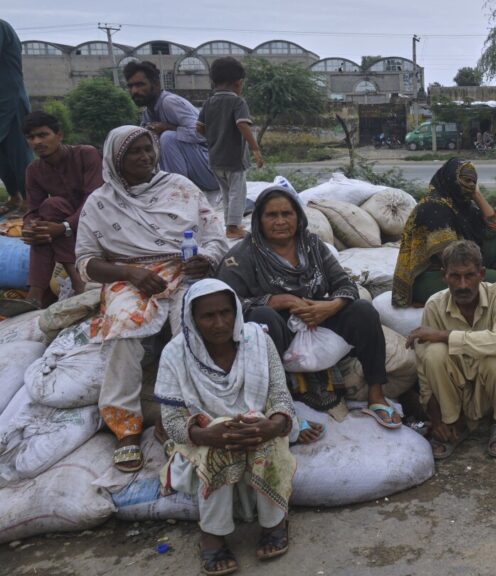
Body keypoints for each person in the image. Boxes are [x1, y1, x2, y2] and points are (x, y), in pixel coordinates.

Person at [75, 126, 228, 472]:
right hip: (128, 276)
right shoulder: (100, 202)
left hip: (185, 269)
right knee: (125, 327)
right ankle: (125, 427)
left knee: (193, 324)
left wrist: (208, 257)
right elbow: (86, 262)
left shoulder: (180, 188)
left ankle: (187, 415)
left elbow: (214, 232)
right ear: (116, 159)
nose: (145, 157)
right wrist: (130, 274)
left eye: (148, 149)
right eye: (135, 152)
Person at [217, 186, 401, 429]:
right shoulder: (242, 255)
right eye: (272, 215)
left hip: (317, 318)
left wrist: (331, 307)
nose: (280, 221)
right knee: (263, 318)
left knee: (363, 310)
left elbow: (345, 284)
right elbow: (224, 302)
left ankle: (376, 395)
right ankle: (280, 407)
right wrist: (277, 300)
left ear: (298, 216)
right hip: (277, 328)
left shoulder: (312, 244)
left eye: (287, 213)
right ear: (259, 220)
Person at [156, 280, 298, 575]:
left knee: (257, 428)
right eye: (208, 316)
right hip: (205, 435)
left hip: (259, 427)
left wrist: (273, 425)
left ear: (236, 312)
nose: (219, 323)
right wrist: (206, 434)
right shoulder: (174, 353)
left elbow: (280, 395)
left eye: (226, 312)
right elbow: (172, 422)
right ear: (192, 318)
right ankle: (213, 534)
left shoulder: (258, 340)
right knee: (219, 439)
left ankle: (275, 522)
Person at [407, 240, 496, 460]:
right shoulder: (434, 305)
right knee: (433, 353)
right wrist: (435, 417)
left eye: (470, 275)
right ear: (444, 275)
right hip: (461, 393)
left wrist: (444, 335)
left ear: (482, 274)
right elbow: (424, 366)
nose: (463, 285)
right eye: (455, 276)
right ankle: (454, 421)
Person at [392, 159, 496, 308]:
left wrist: (477, 196)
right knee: (494, 279)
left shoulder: (463, 207)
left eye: (473, 182)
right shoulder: (433, 206)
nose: (470, 185)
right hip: (429, 275)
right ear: (451, 179)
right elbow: (453, 258)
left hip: (459, 269)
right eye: (465, 180)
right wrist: (479, 273)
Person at [20, 111, 101, 307]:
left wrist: (64, 226)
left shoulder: (86, 154)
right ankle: (37, 295)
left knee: (52, 207)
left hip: (98, 218)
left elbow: (94, 200)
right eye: (31, 137)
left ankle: (44, 290)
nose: (37, 141)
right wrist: (30, 227)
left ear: (59, 135)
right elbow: (33, 209)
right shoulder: (34, 170)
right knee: (46, 215)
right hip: (63, 223)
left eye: (43, 135)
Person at [123, 61, 218, 192]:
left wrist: (168, 128)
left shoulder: (169, 102)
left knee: (168, 138)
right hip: (196, 175)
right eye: (130, 86)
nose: (134, 91)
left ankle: (178, 193)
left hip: (212, 170)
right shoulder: (148, 112)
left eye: (140, 85)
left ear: (156, 85)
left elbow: (203, 133)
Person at [196, 57, 263, 240]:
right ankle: (233, 227)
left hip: (215, 157)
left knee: (225, 193)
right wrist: (255, 148)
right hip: (234, 158)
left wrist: (215, 138)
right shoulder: (237, 102)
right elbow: (242, 125)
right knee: (237, 193)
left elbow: (199, 128)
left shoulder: (208, 103)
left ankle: (229, 225)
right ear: (238, 83)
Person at [0, 20, 31, 216]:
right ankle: (15, 196)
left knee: (19, 153)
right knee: (1, 157)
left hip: (10, 101)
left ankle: (31, 199)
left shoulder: (1, 27)